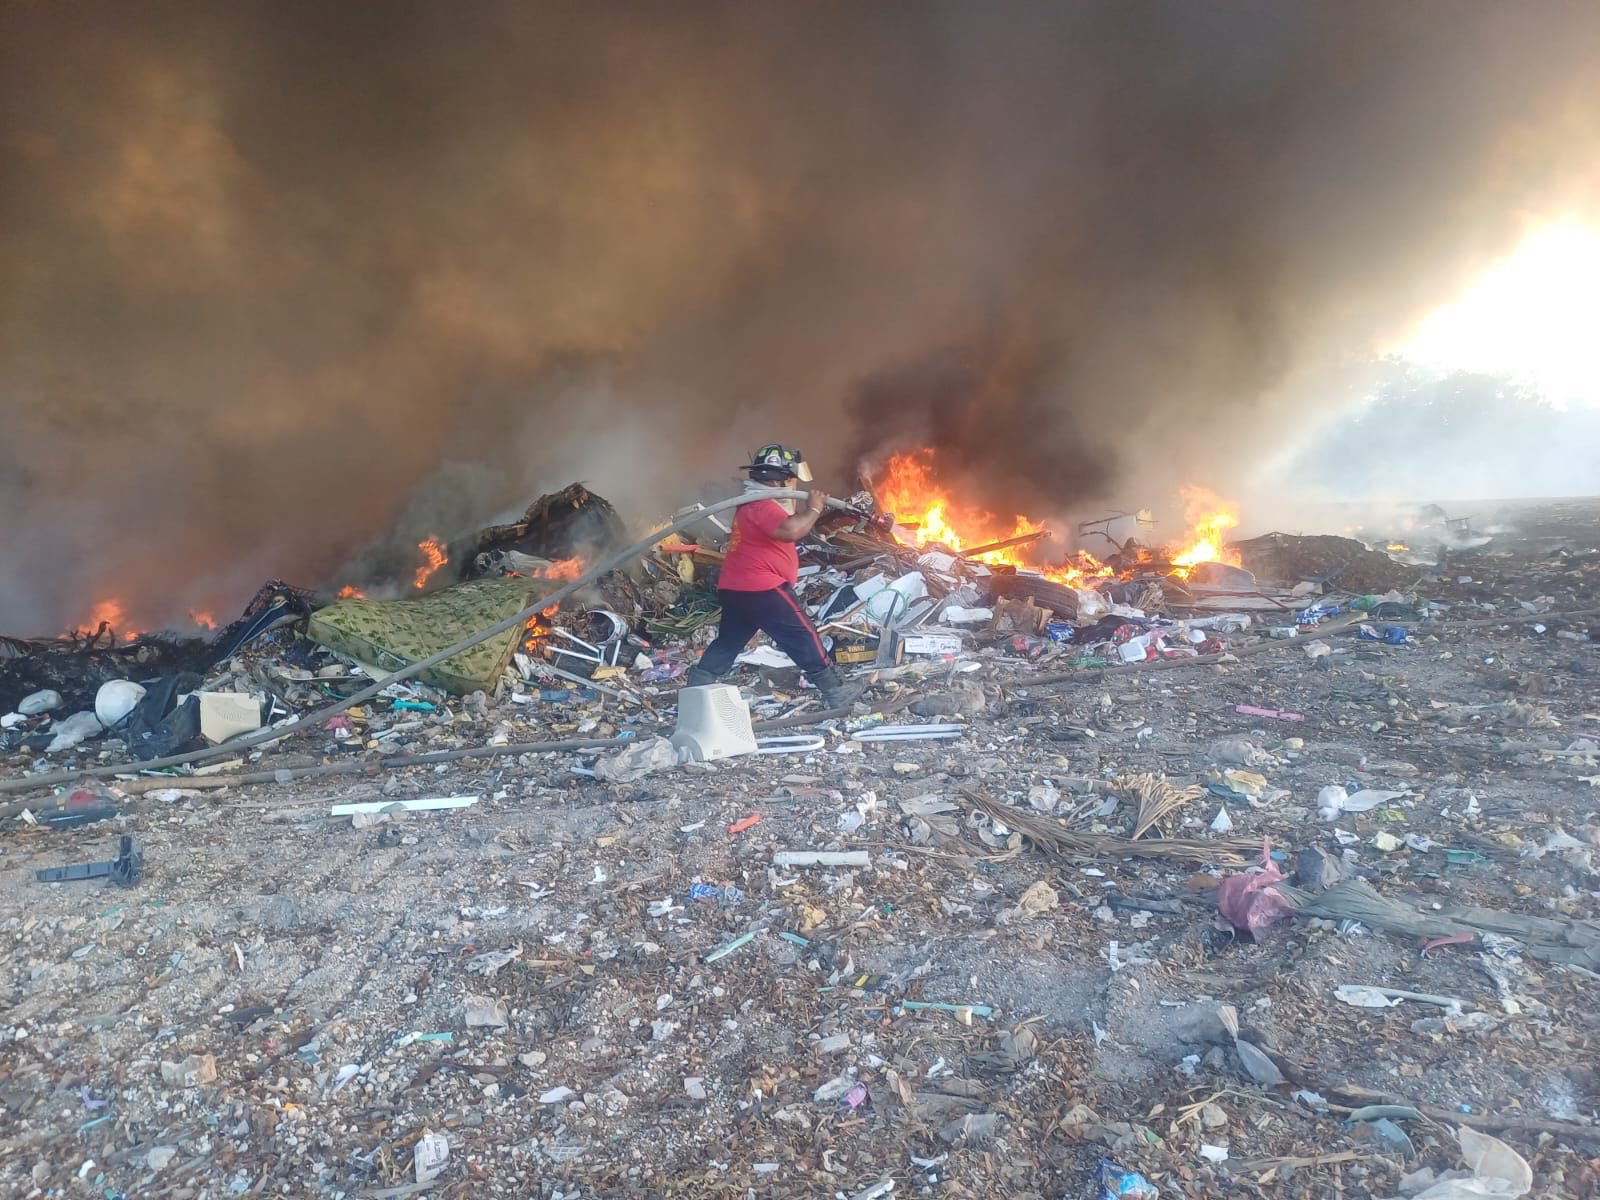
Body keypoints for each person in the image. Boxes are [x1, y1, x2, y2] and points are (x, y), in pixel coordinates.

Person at [686, 445, 866, 707]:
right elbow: (790, 531)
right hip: (763, 588)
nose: (794, 483)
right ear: (780, 479)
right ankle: (836, 690)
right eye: (791, 478)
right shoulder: (761, 505)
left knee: (729, 641)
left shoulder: (754, 503)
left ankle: (696, 687)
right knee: (803, 635)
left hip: (737, 588)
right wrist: (814, 509)